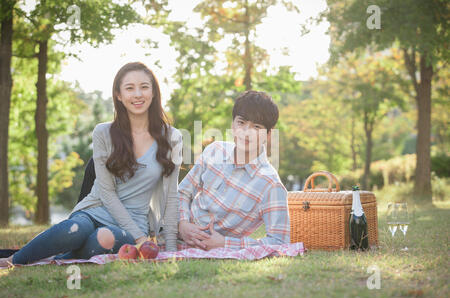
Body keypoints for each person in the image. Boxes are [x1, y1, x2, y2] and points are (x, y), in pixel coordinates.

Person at [0, 62, 182, 267]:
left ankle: (59, 259)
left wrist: (171, 248)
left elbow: (172, 196)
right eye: (129, 88)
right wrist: (142, 240)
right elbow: (106, 193)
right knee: (75, 229)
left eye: (144, 87)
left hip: (133, 224)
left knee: (104, 237)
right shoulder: (103, 133)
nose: (138, 94)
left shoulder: (172, 137)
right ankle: (12, 260)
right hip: (94, 210)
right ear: (119, 95)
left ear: (154, 92)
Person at [178, 90, 290, 251]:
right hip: (174, 235)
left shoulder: (271, 184)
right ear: (232, 125)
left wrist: (225, 243)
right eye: (241, 123)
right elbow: (183, 192)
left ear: (269, 134)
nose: (246, 132)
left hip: (211, 250)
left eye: (256, 127)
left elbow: (280, 242)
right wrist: (183, 224)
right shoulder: (214, 151)